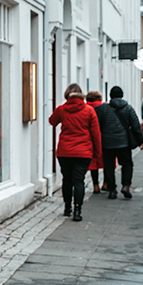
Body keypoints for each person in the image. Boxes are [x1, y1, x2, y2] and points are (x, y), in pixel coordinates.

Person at [49, 84, 102, 221]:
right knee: (79, 181)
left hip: (65, 151)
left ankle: (67, 207)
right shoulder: (89, 110)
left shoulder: (62, 109)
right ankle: (77, 210)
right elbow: (96, 133)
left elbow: (52, 121)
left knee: (67, 179)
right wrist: (97, 152)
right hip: (83, 152)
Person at [96, 86, 143, 198]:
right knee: (127, 164)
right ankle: (126, 186)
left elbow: (97, 124)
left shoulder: (103, 109)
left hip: (107, 143)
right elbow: (136, 126)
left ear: (110, 95)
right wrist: (140, 140)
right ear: (122, 95)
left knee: (109, 166)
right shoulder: (128, 108)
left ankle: (112, 189)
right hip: (124, 142)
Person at [85, 90, 105, 193]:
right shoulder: (105, 108)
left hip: (89, 139)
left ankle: (95, 185)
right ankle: (106, 183)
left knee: (94, 165)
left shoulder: (86, 109)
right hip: (104, 138)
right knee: (106, 162)